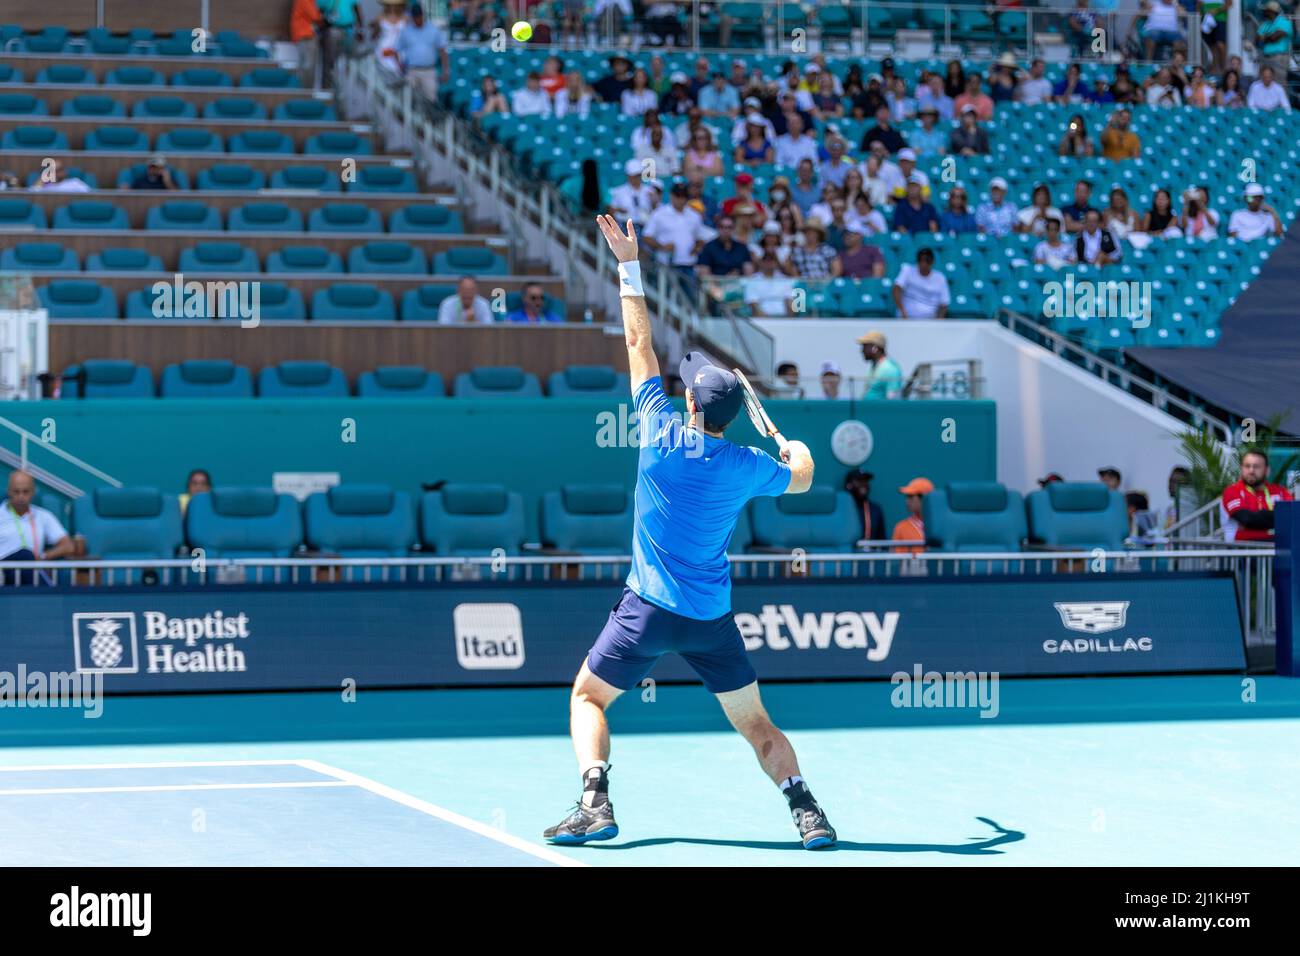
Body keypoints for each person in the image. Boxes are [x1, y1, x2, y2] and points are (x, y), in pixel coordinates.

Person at [544, 215, 833, 851]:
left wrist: (629, 266)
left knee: (587, 697)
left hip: (645, 611)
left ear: (693, 405)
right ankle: (806, 809)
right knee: (758, 725)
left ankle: (595, 801)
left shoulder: (658, 432)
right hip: (710, 618)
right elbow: (804, 477)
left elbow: (638, 346)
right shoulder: (750, 466)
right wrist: (801, 450)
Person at [1, 470, 75, 586]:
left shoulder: (43, 516)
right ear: (9, 491)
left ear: (33, 492)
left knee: (27, 558)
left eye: (25, 492)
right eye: (16, 492)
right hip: (3, 572)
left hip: (32, 569)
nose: (21, 497)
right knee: (25, 554)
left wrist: (43, 556)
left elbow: (68, 546)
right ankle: (51, 597)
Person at [1220, 450, 1293, 542]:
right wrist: (1279, 517)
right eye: (1247, 466)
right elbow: (1247, 520)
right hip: (1241, 551)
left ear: (1267, 470)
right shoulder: (1232, 491)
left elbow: (1293, 517)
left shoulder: (1280, 491)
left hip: (1278, 548)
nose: (1251, 470)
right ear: (1241, 469)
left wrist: (1259, 515)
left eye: (1256, 466)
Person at [642, 182, 706, 271]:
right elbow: (647, 236)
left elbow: (700, 237)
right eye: (678, 196)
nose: (681, 200)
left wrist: (696, 247)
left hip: (689, 263)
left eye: (684, 196)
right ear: (672, 196)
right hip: (666, 263)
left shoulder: (694, 215)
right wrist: (662, 247)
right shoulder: (659, 214)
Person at [396, 2, 449, 102]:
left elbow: (442, 51)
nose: (417, 19)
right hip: (412, 70)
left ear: (422, 15)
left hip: (429, 71)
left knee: (430, 99)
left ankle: (428, 118)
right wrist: (399, 65)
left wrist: (445, 70)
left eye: (419, 16)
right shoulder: (406, 31)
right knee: (408, 99)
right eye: (415, 17)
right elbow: (397, 49)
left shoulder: (433, 29)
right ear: (412, 17)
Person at [892, 247, 950, 319]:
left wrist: (938, 322)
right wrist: (902, 311)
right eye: (920, 260)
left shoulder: (940, 278)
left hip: (930, 321)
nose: (924, 263)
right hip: (907, 318)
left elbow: (944, 304)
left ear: (932, 261)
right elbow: (896, 289)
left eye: (927, 260)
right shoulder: (907, 270)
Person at [607, 159, 657, 227]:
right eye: (634, 176)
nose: (636, 178)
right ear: (628, 176)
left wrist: (654, 202)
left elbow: (657, 211)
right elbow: (611, 210)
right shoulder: (619, 191)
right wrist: (619, 210)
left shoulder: (649, 191)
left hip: (646, 225)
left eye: (638, 175)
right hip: (625, 225)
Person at [743, 252, 795, 317]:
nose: (769, 263)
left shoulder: (784, 280)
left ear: (776, 263)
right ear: (761, 263)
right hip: (762, 319)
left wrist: (790, 319)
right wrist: (765, 319)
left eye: (771, 261)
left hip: (783, 318)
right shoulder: (753, 280)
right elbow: (753, 303)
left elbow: (789, 300)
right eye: (766, 261)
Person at [892, 478, 934, 554]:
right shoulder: (901, 527)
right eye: (907, 497)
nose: (907, 501)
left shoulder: (941, 526)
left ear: (924, 498)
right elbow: (896, 561)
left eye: (911, 496)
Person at [858, 330, 904, 399]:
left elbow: (893, 401)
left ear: (875, 348)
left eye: (865, 347)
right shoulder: (876, 366)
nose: (862, 351)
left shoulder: (890, 369)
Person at [844, 468, 887, 543]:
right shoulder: (841, 508)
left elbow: (882, 540)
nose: (863, 484)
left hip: (869, 553)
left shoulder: (875, 509)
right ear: (849, 485)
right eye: (859, 480)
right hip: (846, 552)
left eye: (866, 481)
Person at [290, 0, 324, 89]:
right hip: (306, 35)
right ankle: (306, 92)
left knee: (305, 65)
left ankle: (304, 91)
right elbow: (315, 16)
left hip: (305, 35)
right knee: (308, 66)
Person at [1256, 1, 1294, 78]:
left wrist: (1264, 37)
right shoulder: (1265, 23)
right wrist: (1268, 36)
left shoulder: (1285, 22)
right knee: (1263, 84)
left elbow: (1274, 38)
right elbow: (1257, 38)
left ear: (1271, 12)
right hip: (1265, 58)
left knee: (1279, 83)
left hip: (1279, 58)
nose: (1264, 12)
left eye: (1266, 10)